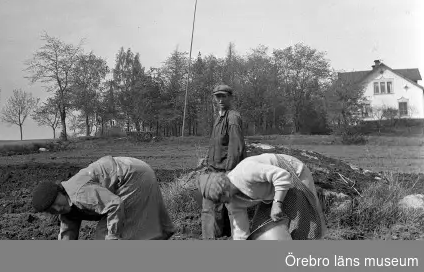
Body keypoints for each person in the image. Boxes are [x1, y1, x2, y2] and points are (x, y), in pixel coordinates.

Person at [32, 155, 176, 240]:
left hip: (132, 174)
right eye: (52, 211)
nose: (57, 209)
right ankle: (162, 233)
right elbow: (67, 234)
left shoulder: (79, 194)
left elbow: (114, 204)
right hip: (135, 169)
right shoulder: (66, 211)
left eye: (56, 203)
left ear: (60, 192)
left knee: (104, 235)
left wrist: (112, 237)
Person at [199, 153, 327, 240]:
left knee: (303, 224)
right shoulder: (232, 202)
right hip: (270, 192)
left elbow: (282, 176)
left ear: (224, 192)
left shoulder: (246, 172)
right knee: (261, 229)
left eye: (220, 200)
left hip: (293, 175)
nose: (223, 203)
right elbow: (240, 231)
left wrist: (277, 204)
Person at [198, 84, 247, 239]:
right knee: (210, 208)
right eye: (217, 96)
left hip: (226, 171)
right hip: (213, 170)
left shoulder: (232, 117)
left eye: (223, 96)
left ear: (230, 97)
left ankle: (237, 240)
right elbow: (217, 143)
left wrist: (230, 171)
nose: (220, 99)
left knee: (233, 209)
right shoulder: (219, 117)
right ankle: (212, 238)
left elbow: (236, 146)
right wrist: (206, 160)